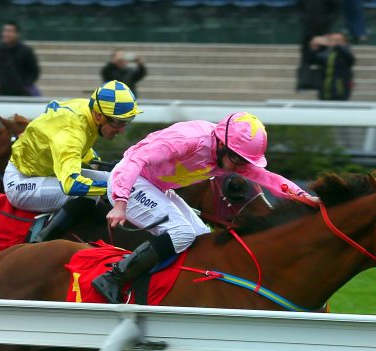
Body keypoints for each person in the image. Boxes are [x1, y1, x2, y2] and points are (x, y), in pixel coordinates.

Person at [91, 112, 321, 304]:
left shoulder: (229, 154)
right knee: (182, 232)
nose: (239, 167)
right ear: (222, 144)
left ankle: (175, 290)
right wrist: (120, 202)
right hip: (128, 181)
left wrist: (304, 198)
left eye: (244, 161)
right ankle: (113, 278)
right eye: (237, 159)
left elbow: (268, 178)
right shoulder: (188, 139)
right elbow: (136, 159)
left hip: (156, 187)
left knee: (202, 238)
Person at [3, 80, 141, 242]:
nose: (122, 130)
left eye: (126, 122)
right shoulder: (71, 131)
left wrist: (96, 162)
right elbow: (72, 185)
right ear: (98, 115)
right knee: (90, 194)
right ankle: (38, 243)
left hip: (51, 171)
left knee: (113, 177)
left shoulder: (87, 110)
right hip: (22, 183)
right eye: (118, 122)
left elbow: (71, 138)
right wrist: (117, 190)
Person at [0, 21, 40, 96]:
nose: (6, 34)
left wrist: (25, 83)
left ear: (17, 34)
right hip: (2, 90)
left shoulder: (26, 50)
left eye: (10, 31)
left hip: (22, 92)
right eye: (5, 31)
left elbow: (34, 71)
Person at [309, 32, 355, 101]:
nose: (336, 42)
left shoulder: (346, 52)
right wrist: (314, 48)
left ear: (344, 42)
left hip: (340, 88)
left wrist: (337, 46)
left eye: (339, 40)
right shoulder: (326, 52)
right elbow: (313, 61)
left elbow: (350, 60)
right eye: (333, 40)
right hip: (325, 87)